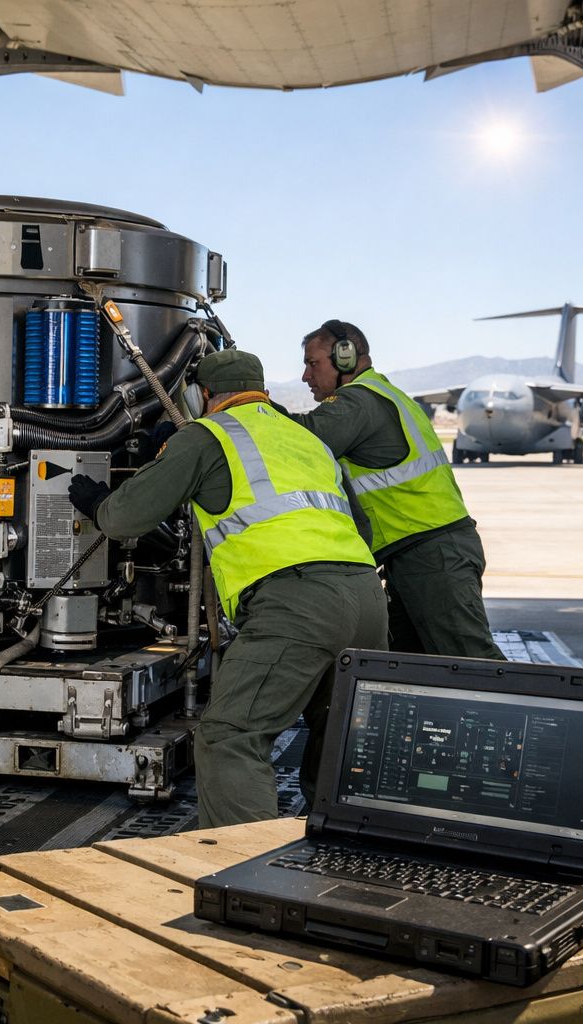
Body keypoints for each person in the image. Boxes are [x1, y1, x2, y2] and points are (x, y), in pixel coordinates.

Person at [68, 349, 387, 827]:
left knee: (229, 738)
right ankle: (348, 846)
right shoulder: (307, 438)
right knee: (341, 735)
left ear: (202, 396)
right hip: (366, 597)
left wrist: (96, 501)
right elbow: (361, 528)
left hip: (297, 603)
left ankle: (248, 865)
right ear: (261, 391)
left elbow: (124, 518)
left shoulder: (206, 435)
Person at [293, 319, 504, 660]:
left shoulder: (358, 401)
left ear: (345, 357)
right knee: (404, 664)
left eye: (312, 363)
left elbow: (302, 439)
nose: (306, 376)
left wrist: (251, 407)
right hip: (420, 552)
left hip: (432, 554)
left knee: (471, 662)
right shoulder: (382, 393)